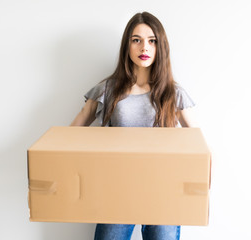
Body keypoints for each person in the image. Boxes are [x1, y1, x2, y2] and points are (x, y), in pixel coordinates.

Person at [71, 11, 196, 240]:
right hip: (116, 189)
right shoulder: (107, 90)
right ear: (127, 46)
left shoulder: (173, 94)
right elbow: (69, 137)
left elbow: (197, 143)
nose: (144, 48)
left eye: (152, 41)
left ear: (160, 47)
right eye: (136, 40)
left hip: (163, 189)